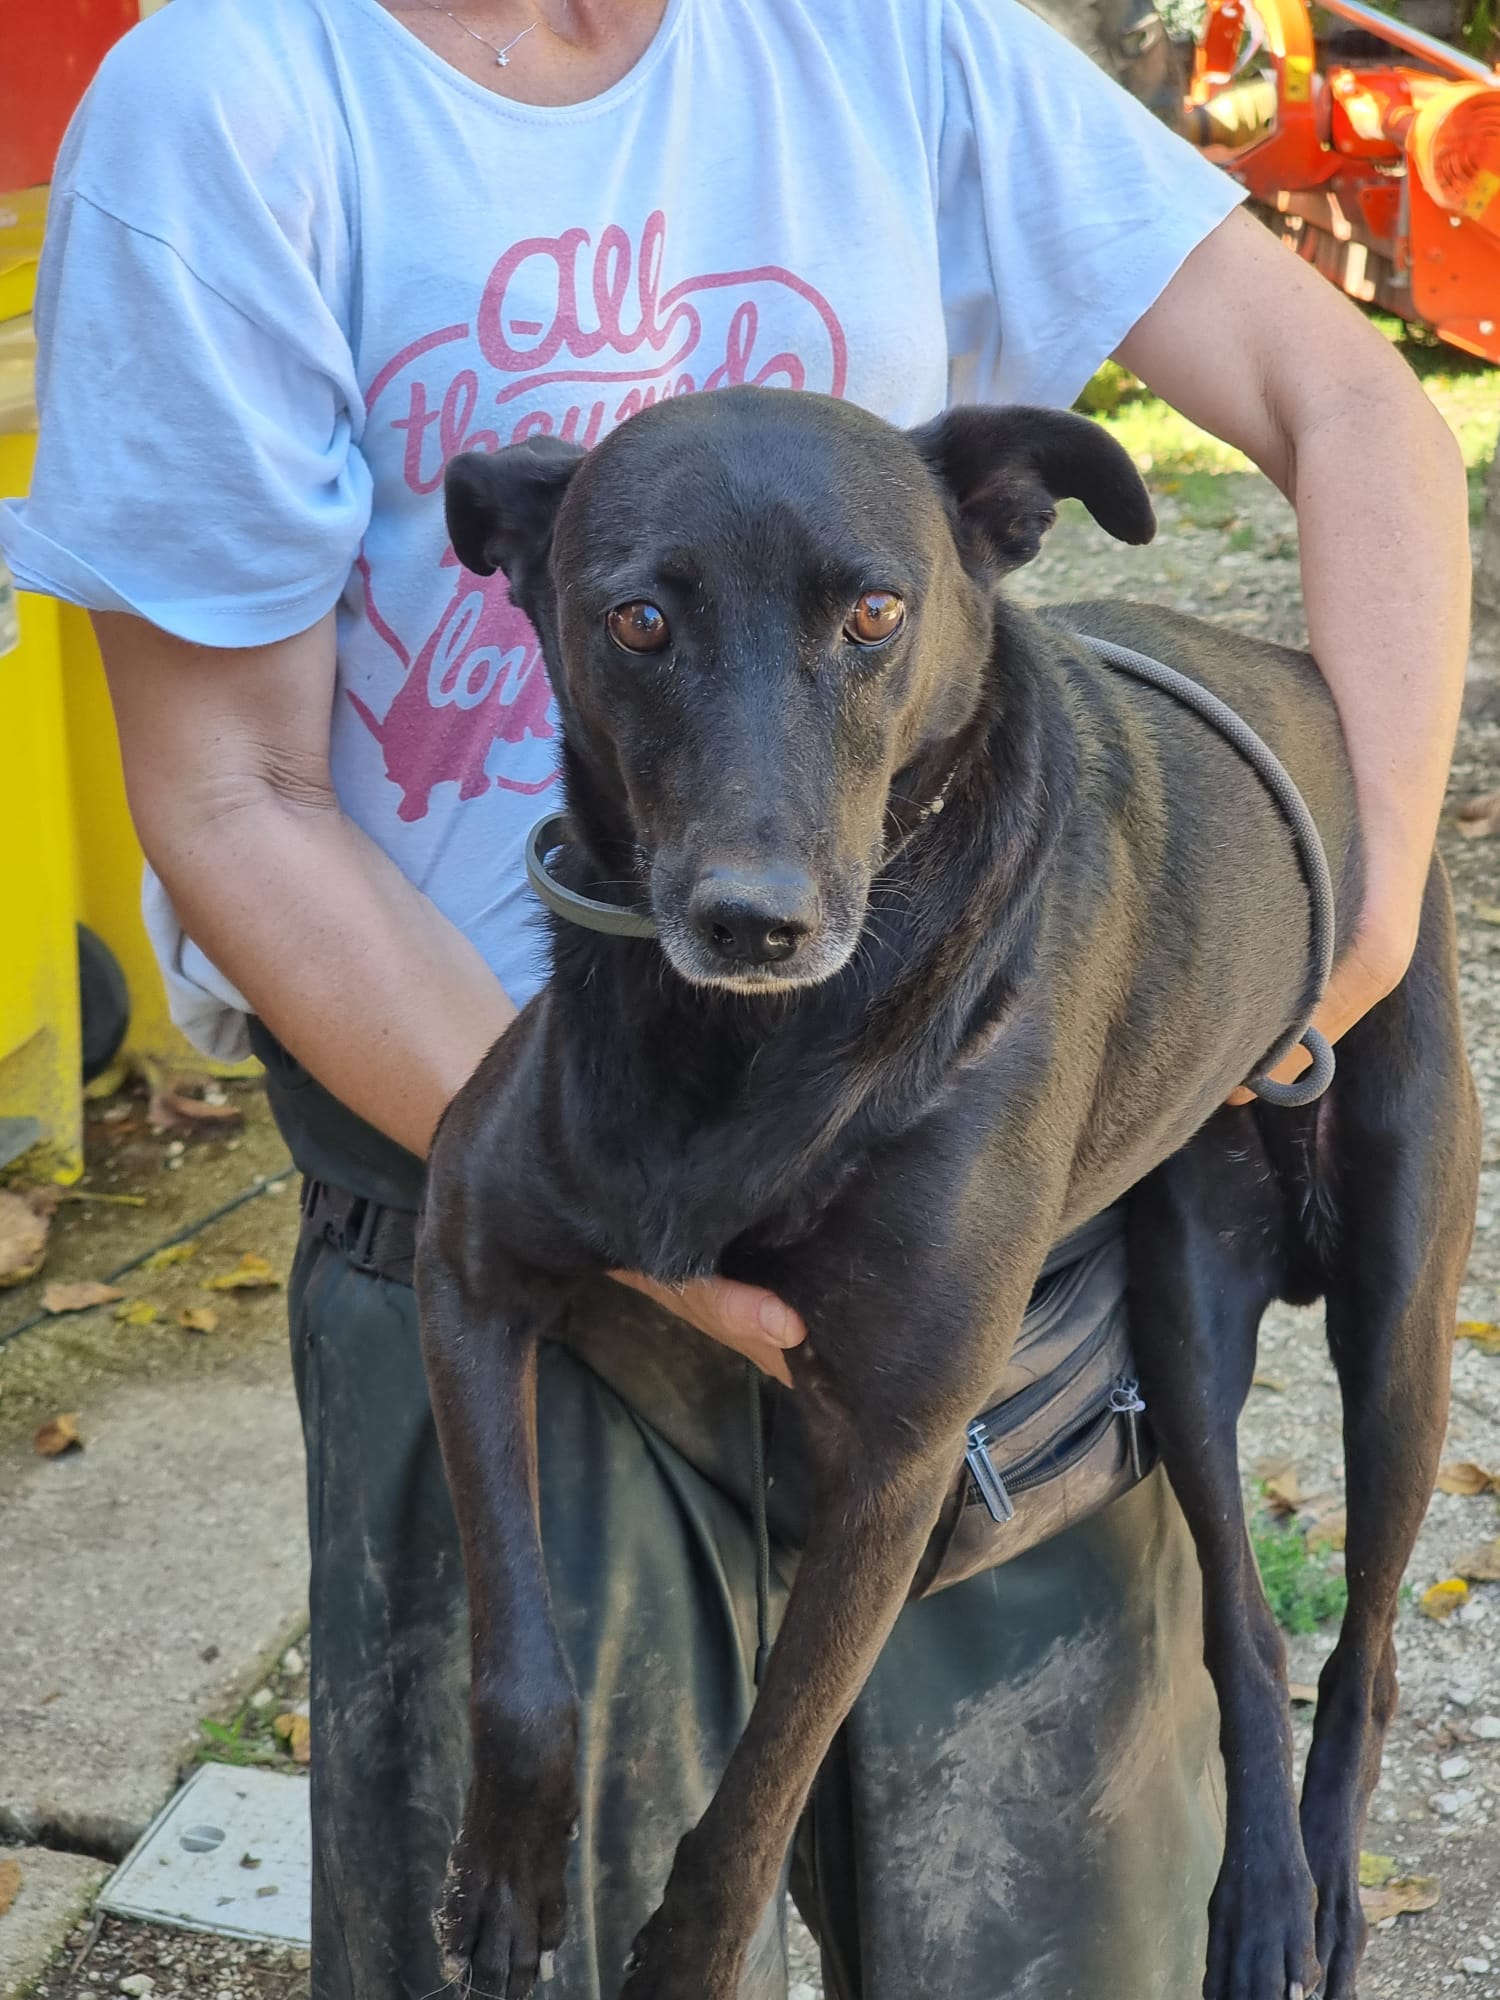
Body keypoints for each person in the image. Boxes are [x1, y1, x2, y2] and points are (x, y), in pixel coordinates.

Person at [0, 1, 1471, 1995]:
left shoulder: (897, 34)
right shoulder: (236, 100)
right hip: (497, 1182)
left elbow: (1348, 397)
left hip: (966, 1155)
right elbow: (232, 790)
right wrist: (582, 1178)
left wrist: (1361, 913)